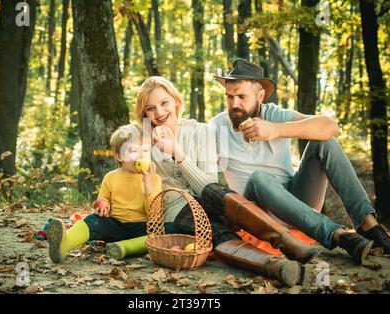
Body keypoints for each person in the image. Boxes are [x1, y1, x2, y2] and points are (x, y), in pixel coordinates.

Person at [207, 58, 390, 265]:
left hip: (297, 200)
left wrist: (275, 129)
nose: (234, 104)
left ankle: (368, 225)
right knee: (259, 179)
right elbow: (195, 158)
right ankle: (337, 235)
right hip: (258, 212)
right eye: (229, 97)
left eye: (242, 97)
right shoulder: (217, 127)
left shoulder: (275, 114)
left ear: (260, 96)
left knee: (325, 142)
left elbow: (330, 126)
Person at [133, 76, 319, 287]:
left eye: (164, 103)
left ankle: (286, 241)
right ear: (144, 114)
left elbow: (206, 186)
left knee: (216, 192)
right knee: (217, 232)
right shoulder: (142, 142)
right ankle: (274, 266)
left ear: (176, 101)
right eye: (150, 108)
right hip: (177, 209)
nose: (159, 113)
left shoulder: (201, 131)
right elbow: (143, 190)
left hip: (207, 197)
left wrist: (179, 154)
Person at [47, 124, 162, 263]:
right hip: (115, 226)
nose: (140, 156)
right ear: (120, 157)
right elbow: (102, 201)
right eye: (133, 151)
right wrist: (102, 207)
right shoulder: (110, 177)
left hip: (142, 228)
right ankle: (64, 244)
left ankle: (123, 248)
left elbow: (154, 214)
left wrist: (147, 184)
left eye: (144, 150)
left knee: (163, 231)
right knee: (91, 221)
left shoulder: (154, 178)